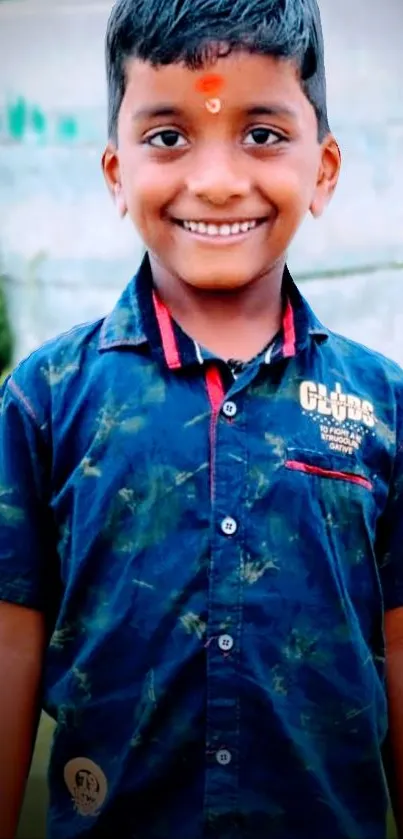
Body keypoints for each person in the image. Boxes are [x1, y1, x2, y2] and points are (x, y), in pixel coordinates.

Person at [0, 0, 402, 837]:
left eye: (260, 133)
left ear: (322, 170)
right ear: (115, 171)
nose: (216, 181)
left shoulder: (381, 408)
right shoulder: (43, 402)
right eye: (168, 136)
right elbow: (9, 652)